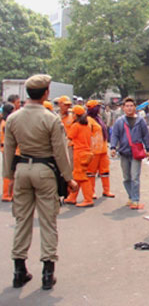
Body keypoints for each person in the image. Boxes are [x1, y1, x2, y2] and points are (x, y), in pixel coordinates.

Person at [3, 74, 77, 290]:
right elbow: (60, 152)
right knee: (48, 221)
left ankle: (19, 270)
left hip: (22, 170)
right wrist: (68, 178)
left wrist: (7, 175)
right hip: (45, 171)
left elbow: (8, 149)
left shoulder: (13, 118)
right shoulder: (50, 118)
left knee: (22, 220)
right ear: (46, 93)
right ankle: (47, 272)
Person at [110, 97, 149, 209]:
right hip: (123, 152)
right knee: (126, 177)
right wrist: (113, 147)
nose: (129, 108)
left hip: (136, 153)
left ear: (135, 107)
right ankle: (131, 196)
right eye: (127, 106)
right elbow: (115, 135)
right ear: (123, 108)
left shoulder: (140, 121)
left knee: (135, 177)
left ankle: (135, 200)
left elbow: (145, 135)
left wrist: (148, 149)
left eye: (131, 106)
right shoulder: (119, 121)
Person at [64, 105, 95, 207]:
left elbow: (69, 138)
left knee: (82, 177)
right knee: (78, 176)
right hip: (87, 153)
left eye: (73, 113)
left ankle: (88, 199)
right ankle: (72, 197)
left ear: (76, 115)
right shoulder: (88, 125)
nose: (71, 115)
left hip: (79, 153)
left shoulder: (76, 126)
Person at [86, 100, 114, 199]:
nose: (100, 109)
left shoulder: (99, 118)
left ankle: (106, 190)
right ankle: (91, 192)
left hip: (103, 149)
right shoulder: (88, 120)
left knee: (105, 171)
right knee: (91, 172)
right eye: (98, 107)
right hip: (93, 151)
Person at [1, 102, 15, 202]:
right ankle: (6, 194)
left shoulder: (4, 122)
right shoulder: (6, 123)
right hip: (7, 148)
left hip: (5, 148)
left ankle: (9, 193)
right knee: (8, 172)